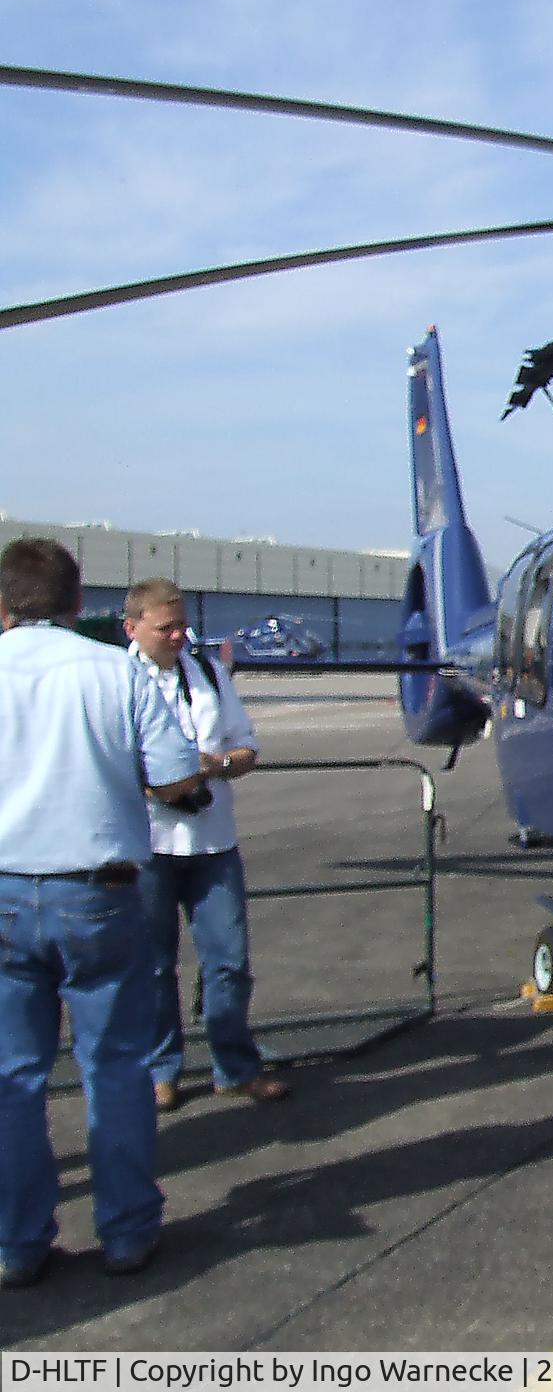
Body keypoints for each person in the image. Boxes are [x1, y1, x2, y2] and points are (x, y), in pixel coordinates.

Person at [0, 539, 200, 1287]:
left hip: (6, 888)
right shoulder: (116, 672)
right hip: (99, 890)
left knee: (13, 1076)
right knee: (114, 1065)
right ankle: (125, 1232)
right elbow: (177, 775)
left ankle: (18, 1242)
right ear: (77, 603)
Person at [123, 579, 288, 1110]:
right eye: (164, 627)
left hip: (212, 843)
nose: (177, 635)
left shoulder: (209, 675)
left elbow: (247, 747)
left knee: (229, 961)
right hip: (147, 845)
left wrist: (216, 766)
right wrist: (157, 783)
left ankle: (234, 1067)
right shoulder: (117, 680)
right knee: (152, 966)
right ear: (133, 627)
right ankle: (160, 1069)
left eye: (181, 626)